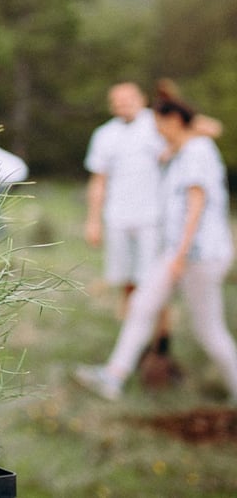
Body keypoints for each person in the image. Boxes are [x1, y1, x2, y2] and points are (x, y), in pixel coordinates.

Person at [74, 88, 237, 404]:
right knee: (142, 304)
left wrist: (179, 255)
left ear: (174, 120)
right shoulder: (179, 151)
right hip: (177, 252)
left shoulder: (198, 151)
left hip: (199, 256)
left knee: (209, 330)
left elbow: (196, 204)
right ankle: (114, 376)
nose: (158, 133)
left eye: (161, 126)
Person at [82, 82, 178, 373]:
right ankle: (133, 343)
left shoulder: (157, 124)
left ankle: (161, 342)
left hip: (152, 218)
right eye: (118, 101)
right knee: (127, 280)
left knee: (153, 282)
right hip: (118, 218)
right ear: (112, 105)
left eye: (129, 99)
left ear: (142, 100)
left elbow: (184, 141)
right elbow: (98, 180)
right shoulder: (104, 134)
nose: (124, 104)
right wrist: (93, 219)